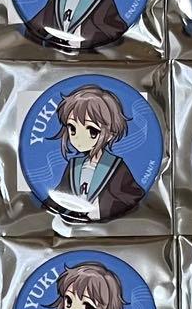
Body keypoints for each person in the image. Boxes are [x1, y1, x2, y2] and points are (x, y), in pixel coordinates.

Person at [46, 85, 145, 221]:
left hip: (108, 225)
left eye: (92, 131)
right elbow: (59, 194)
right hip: (69, 223)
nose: (79, 138)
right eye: (72, 128)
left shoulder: (116, 166)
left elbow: (133, 197)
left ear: (110, 134)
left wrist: (103, 208)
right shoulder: (74, 165)